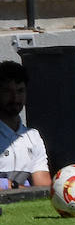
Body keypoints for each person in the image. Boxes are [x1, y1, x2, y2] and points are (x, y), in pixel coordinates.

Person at [0, 60, 50, 190]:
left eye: (20, 91)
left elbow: (43, 184)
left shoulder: (33, 137)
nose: (15, 98)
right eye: (7, 91)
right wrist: (14, 186)